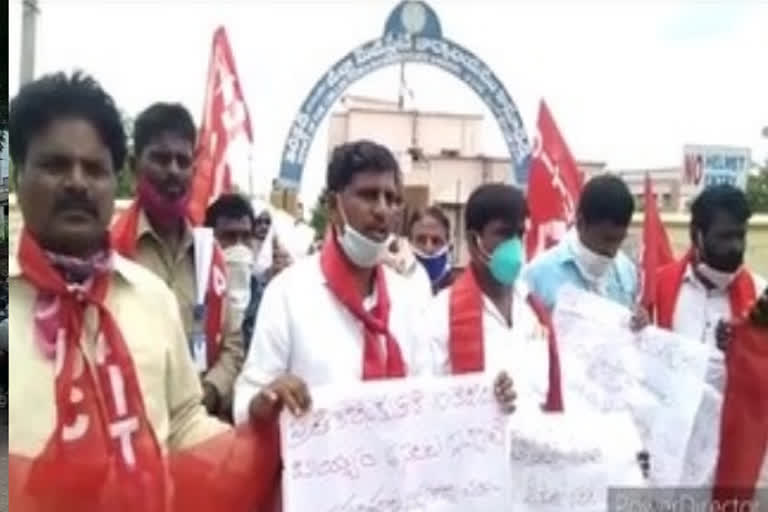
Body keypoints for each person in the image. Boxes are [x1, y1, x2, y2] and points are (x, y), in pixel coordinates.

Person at [7, 71, 278, 511]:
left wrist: (262, 436)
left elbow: (185, 421)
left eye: (94, 168)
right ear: (18, 176)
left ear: (115, 180)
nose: (77, 182)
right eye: (55, 165)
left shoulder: (151, 299)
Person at [233, 140, 434, 427]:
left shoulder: (409, 299)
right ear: (333, 206)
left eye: (391, 199)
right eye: (368, 195)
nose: (381, 210)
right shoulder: (288, 293)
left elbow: (429, 399)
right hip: (314, 468)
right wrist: (268, 397)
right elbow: (245, 402)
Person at [111, 103, 243, 420]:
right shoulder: (108, 252)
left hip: (200, 428)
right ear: (133, 166)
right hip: (128, 429)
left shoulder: (211, 258)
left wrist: (207, 394)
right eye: (160, 158)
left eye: (183, 161)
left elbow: (233, 345)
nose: (173, 170)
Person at [652, 185, 766, 488]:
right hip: (671, 453)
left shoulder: (759, 296)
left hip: (732, 454)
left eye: (740, 236)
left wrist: (745, 349)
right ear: (697, 235)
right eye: (724, 236)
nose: (734, 247)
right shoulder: (659, 287)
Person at [421, 184, 560, 411]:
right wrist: (485, 402)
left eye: (519, 235)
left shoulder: (534, 313)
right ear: (474, 241)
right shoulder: (439, 316)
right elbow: (426, 407)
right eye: (504, 234)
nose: (515, 246)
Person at [525, 174, 640, 313]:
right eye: (606, 239)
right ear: (580, 223)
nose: (612, 251)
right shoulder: (538, 275)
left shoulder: (626, 271)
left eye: (619, 240)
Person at [204, 194, 291, 353]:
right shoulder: (197, 292)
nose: (239, 246)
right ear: (210, 237)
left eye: (246, 237)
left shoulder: (264, 298)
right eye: (229, 236)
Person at [408, 205, 454, 294]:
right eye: (421, 240)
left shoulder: (460, 294)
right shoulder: (393, 290)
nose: (428, 248)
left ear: (448, 245)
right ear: (410, 243)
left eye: (436, 241)